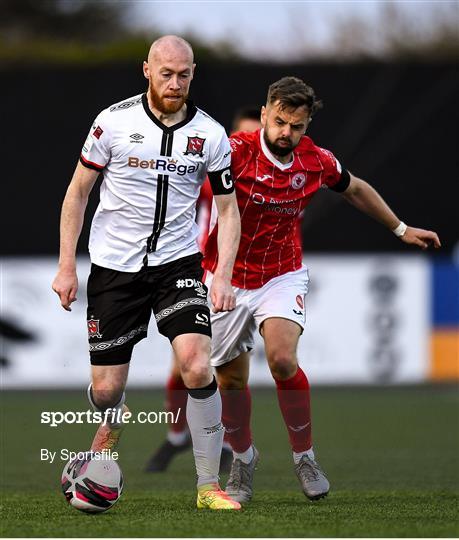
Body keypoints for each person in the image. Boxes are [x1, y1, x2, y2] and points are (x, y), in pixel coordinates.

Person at [202, 76, 441, 504]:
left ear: (307, 125)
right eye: (278, 122)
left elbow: (356, 189)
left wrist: (401, 229)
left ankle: (304, 456)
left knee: (281, 359)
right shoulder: (233, 151)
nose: (285, 133)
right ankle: (242, 457)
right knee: (230, 381)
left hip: (282, 274)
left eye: (296, 126)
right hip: (225, 277)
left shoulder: (315, 162)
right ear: (263, 115)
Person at [52, 35, 242, 511]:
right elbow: (77, 193)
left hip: (177, 264)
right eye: (166, 74)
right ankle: (111, 419)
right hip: (114, 268)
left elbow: (228, 209)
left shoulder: (211, 135)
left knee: (198, 364)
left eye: (183, 74)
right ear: (146, 70)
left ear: (193, 73)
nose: (175, 83)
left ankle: (207, 487)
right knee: (105, 389)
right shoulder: (112, 122)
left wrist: (221, 277)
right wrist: (65, 265)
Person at [145, 107, 262, 474]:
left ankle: (231, 441)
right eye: (242, 138)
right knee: (186, 363)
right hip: (201, 271)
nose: (249, 146)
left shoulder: (270, 180)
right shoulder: (214, 173)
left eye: (255, 138)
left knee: (230, 368)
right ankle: (178, 435)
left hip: (253, 279)